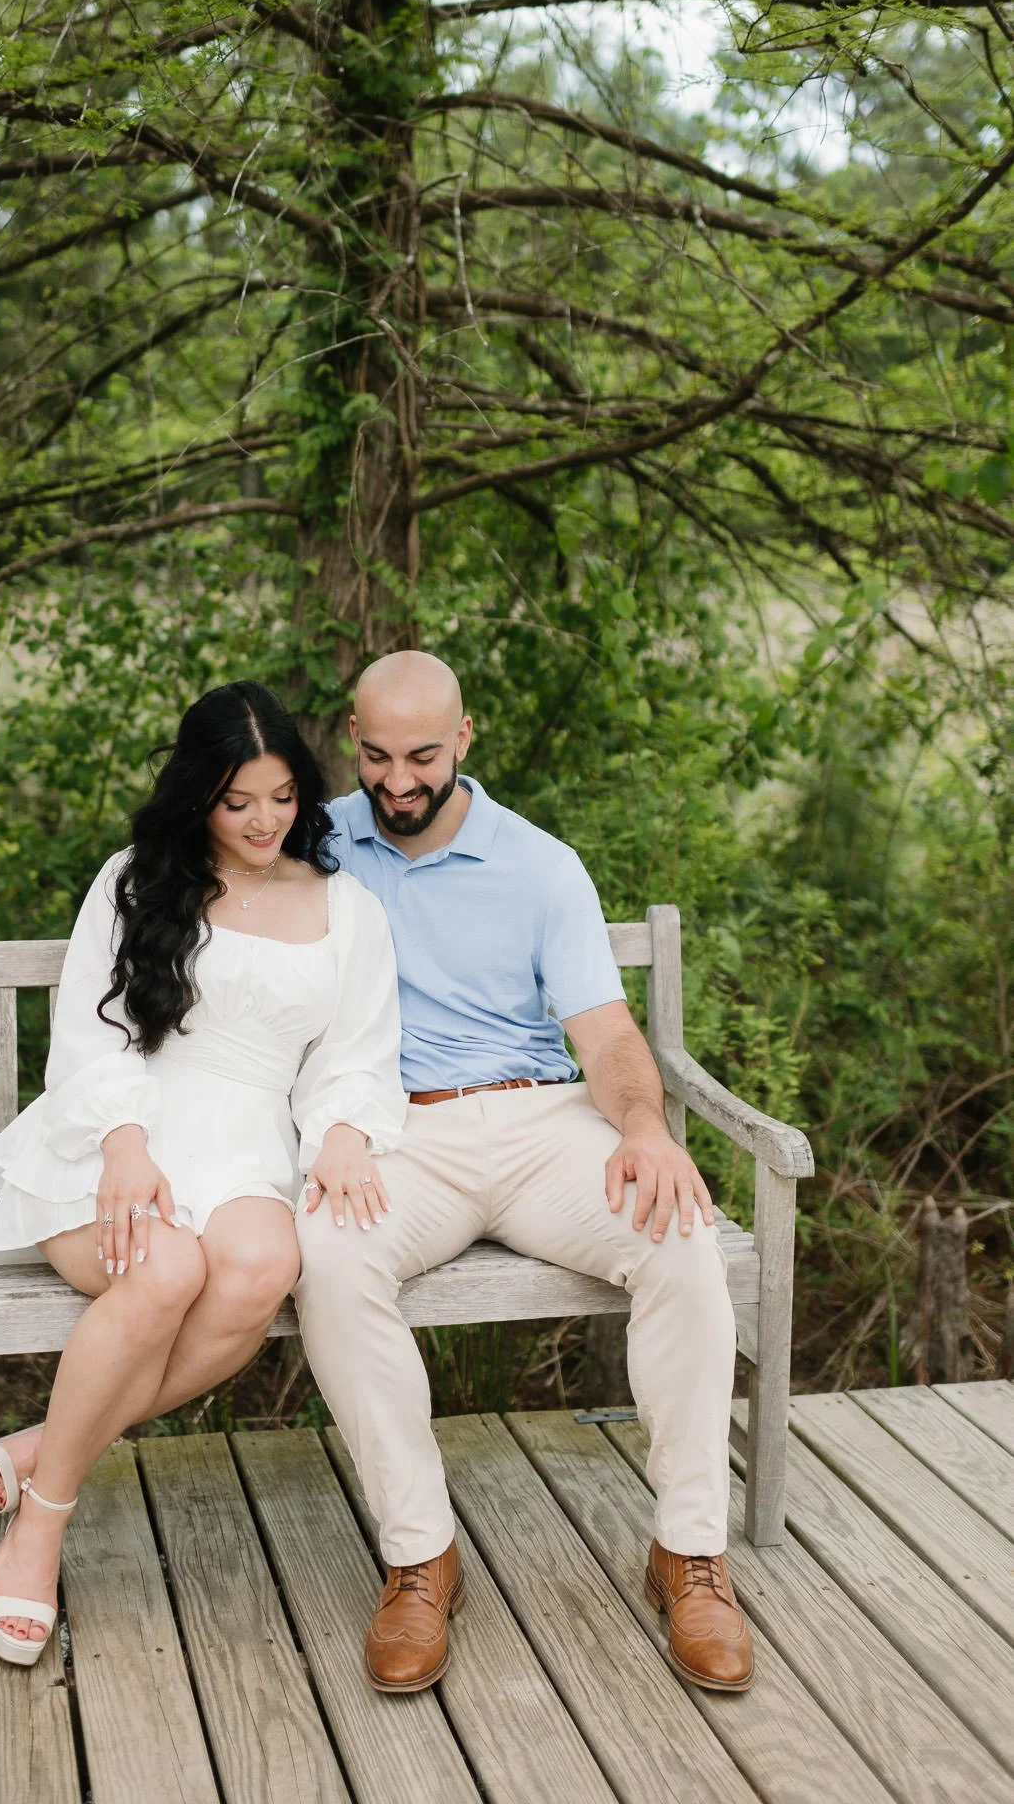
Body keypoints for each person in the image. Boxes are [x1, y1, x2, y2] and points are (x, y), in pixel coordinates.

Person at [294, 651, 754, 1696]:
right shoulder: (314, 845)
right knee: (326, 1253)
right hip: (397, 1133)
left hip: (543, 1120)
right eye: (376, 756)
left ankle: (689, 1554)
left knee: (679, 1235)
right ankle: (420, 1557)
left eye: (422, 756)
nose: (397, 781)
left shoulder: (541, 865)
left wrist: (643, 1126)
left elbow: (606, 1031)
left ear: (465, 737)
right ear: (351, 739)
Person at [0, 681, 405, 1665]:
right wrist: (123, 1144)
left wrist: (343, 1129)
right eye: (236, 800)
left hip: (250, 1144)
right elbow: (91, 1029)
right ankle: (41, 1524)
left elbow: (355, 1053)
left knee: (261, 1267)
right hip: (119, 1127)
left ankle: (44, 1444)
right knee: (165, 1269)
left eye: (282, 797)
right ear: (197, 794)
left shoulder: (346, 908)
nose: (262, 821)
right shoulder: (136, 880)